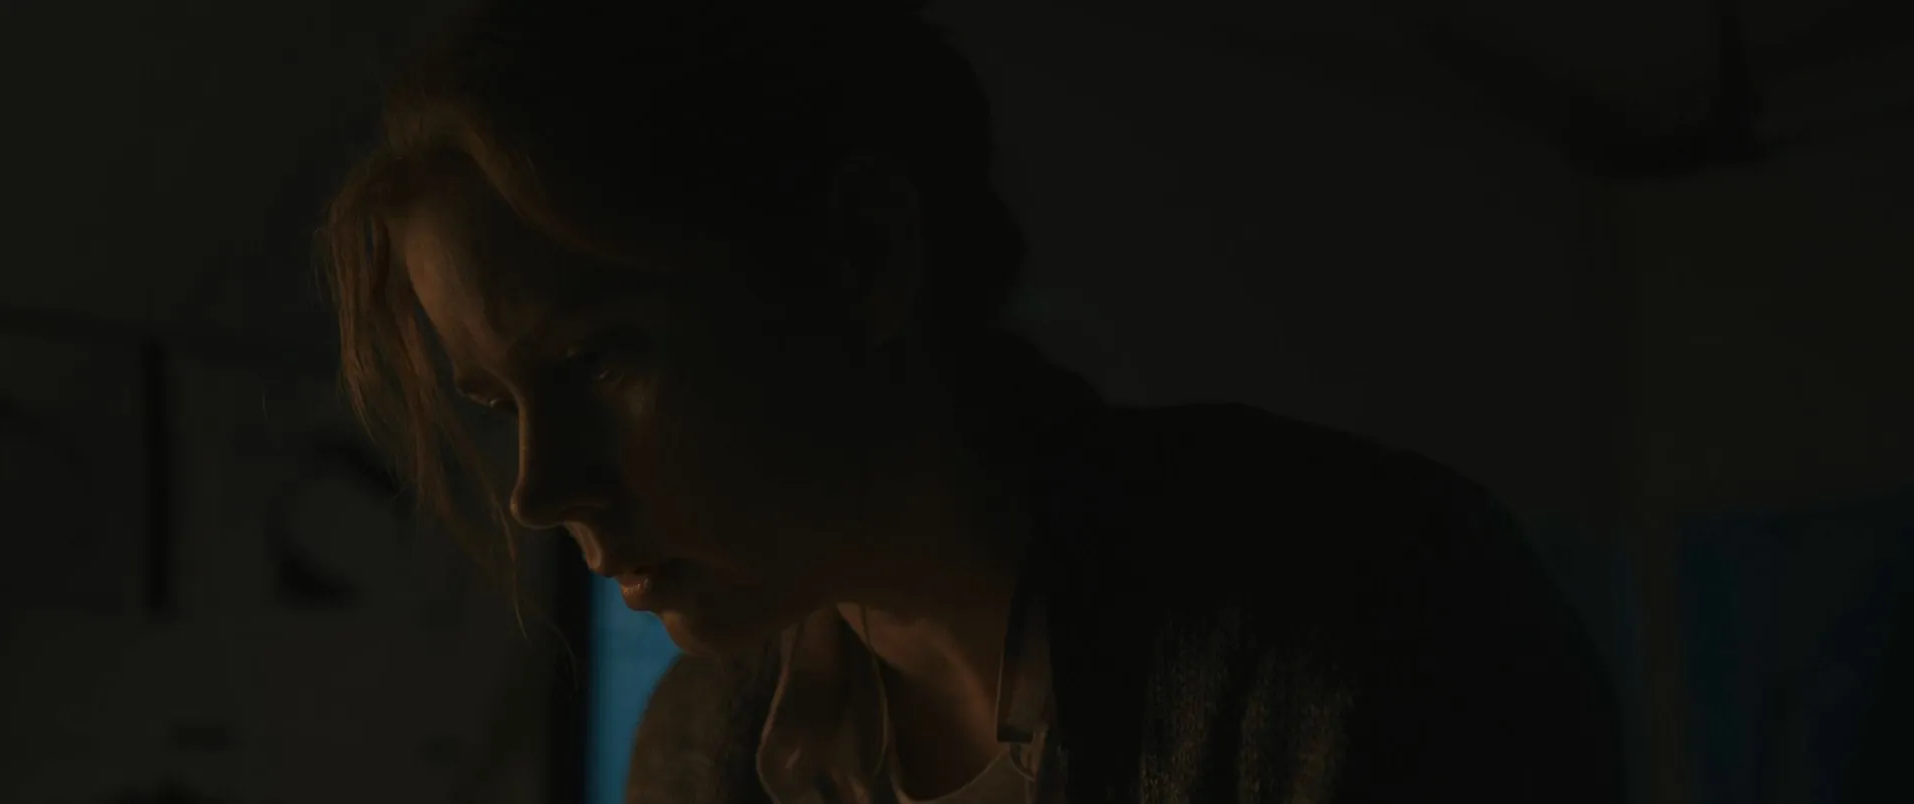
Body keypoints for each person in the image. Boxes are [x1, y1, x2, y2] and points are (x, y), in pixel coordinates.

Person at [320, 0, 1625, 802]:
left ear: (864, 258)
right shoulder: (709, 748)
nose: (541, 488)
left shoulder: (1361, 624)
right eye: (499, 404)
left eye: (603, 358)